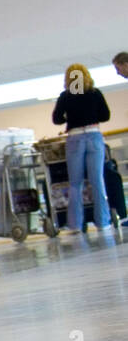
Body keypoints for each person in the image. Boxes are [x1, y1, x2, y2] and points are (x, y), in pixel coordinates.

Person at [52, 63, 113, 232]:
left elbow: (57, 119)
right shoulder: (95, 93)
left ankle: (75, 225)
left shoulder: (65, 96)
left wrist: (68, 117)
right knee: (97, 181)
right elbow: (105, 115)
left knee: (75, 183)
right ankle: (103, 222)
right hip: (94, 135)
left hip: (75, 138)